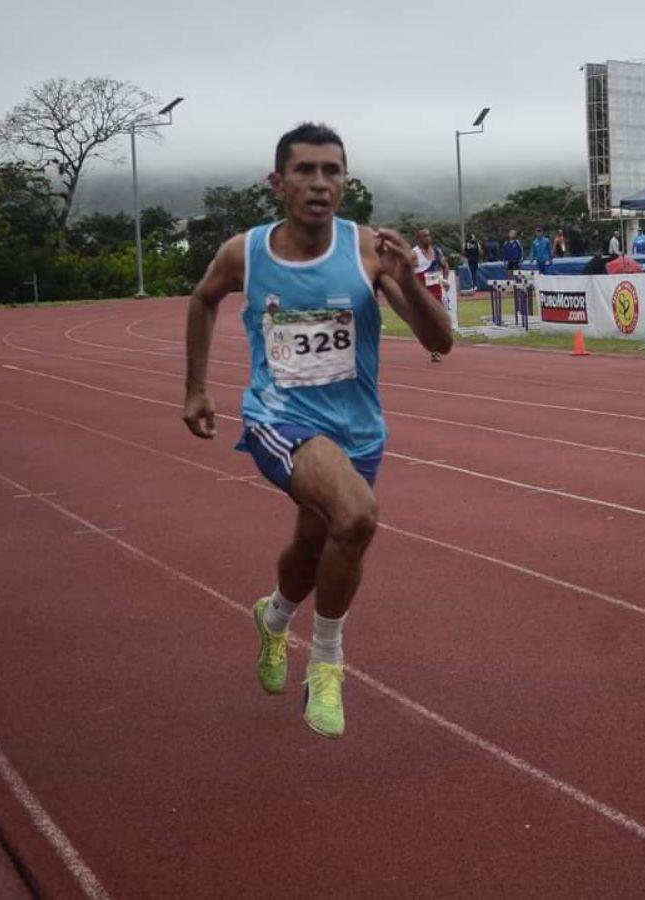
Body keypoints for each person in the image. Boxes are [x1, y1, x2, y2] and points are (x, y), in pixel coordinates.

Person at [181, 122, 453, 739]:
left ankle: (274, 618)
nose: (320, 184)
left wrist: (406, 277)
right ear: (277, 183)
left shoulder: (367, 252)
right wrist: (197, 387)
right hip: (279, 419)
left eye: (332, 171)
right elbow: (203, 299)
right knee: (356, 515)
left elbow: (441, 341)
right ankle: (327, 664)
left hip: (358, 430)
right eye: (305, 171)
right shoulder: (244, 253)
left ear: (345, 181)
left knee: (316, 544)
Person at [414, 228, 450, 361]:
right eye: (424, 236)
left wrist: (445, 280)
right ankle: (435, 349)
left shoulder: (437, 251)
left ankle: (435, 347)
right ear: (418, 239)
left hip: (437, 292)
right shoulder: (414, 254)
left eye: (429, 235)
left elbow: (445, 267)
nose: (428, 238)